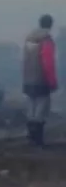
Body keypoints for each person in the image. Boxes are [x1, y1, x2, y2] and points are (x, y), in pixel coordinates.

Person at [22, 14, 58, 147]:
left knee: (31, 107)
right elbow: (48, 63)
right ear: (50, 25)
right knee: (41, 108)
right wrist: (52, 81)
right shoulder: (46, 40)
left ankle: (31, 136)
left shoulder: (29, 39)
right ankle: (38, 138)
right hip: (42, 79)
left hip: (28, 79)